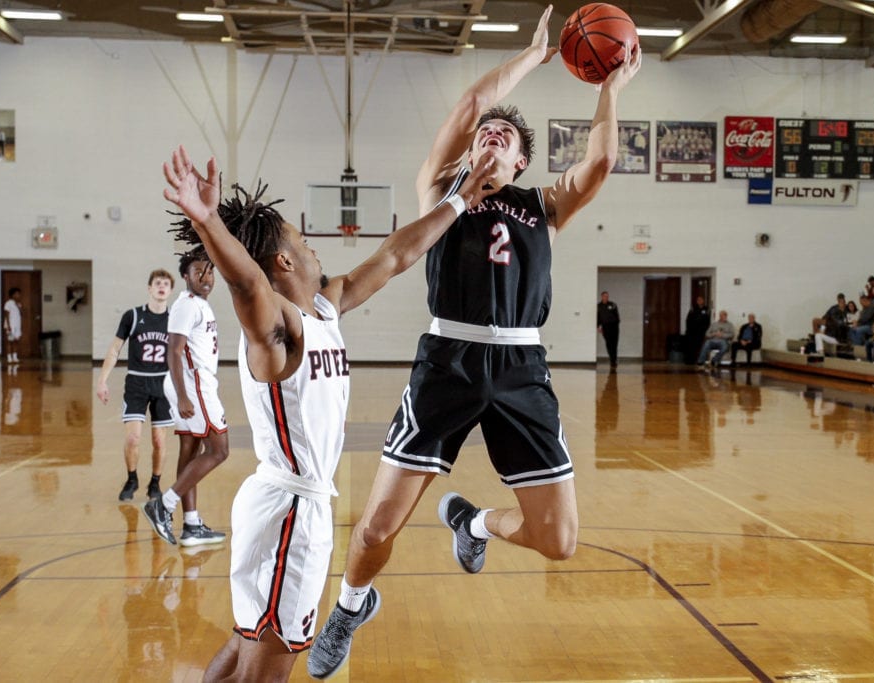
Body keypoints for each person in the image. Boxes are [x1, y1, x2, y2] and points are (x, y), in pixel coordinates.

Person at [308, 7, 641, 679]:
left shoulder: (543, 207)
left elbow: (602, 158)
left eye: (505, 138)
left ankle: (477, 524)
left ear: (521, 160)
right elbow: (471, 101)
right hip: (447, 361)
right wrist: (531, 56)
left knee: (560, 540)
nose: (491, 137)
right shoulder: (442, 188)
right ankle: (349, 606)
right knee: (375, 529)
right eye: (485, 133)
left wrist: (610, 86)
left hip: (522, 365)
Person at [161, 145, 499, 682]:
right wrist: (206, 223)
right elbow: (247, 282)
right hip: (289, 514)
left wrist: (457, 203)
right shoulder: (278, 329)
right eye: (305, 242)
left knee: (248, 643)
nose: (316, 250)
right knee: (266, 669)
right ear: (286, 262)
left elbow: (392, 258)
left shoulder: (323, 308)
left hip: (289, 509)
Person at [142, 253, 228, 548]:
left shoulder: (200, 304)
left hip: (197, 384)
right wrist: (182, 395)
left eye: (210, 273)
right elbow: (174, 351)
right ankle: (162, 505)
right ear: (186, 276)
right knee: (219, 450)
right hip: (193, 387)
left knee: (191, 451)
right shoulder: (186, 306)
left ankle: (191, 524)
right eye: (198, 272)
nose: (206, 278)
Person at [96, 269, 176, 501]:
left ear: (170, 291)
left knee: (159, 440)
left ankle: (155, 483)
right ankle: (132, 479)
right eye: (157, 283)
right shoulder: (132, 316)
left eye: (166, 284)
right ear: (149, 288)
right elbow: (114, 350)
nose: (161, 287)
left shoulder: (174, 320)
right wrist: (102, 381)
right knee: (133, 438)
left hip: (163, 383)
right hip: (136, 382)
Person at [596, 290, 620, 368]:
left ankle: (614, 360)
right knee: (609, 344)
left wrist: (615, 323)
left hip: (614, 327)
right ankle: (612, 359)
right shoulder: (598, 306)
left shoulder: (612, 305)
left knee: (614, 344)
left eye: (607, 296)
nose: (606, 297)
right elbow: (598, 317)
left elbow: (617, 316)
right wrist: (598, 326)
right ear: (602, 297)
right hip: (605, 328)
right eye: (605, 296)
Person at [684, 295, 711, 364]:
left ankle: (699, 360)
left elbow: (707, 321)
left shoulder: (706, 309)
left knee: (699, 346)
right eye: (698, 300)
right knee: (691, 346)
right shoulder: (693, 309)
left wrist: (706, 330)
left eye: (701, 300)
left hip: (701, 331)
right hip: (692, 331)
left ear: (703, 301)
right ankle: (690, 361)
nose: (700, 301)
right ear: (696, 301)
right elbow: (688, 320)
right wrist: (688, 329)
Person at [2, 287, 22, 365]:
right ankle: (9, 358)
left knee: (16, 341)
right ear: (13, 295)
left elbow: (21, 314)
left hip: (17, 324)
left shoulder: (19, 303)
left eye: (19, 294)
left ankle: (15, 357)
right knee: (9, 341)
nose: (18, 295)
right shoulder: (8, 303)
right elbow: (6, 315)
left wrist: (18, 306)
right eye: (17, 294)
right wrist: (8, 325)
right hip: (10, 325)